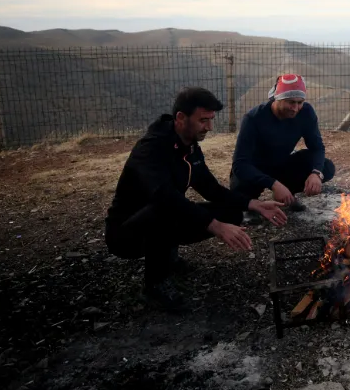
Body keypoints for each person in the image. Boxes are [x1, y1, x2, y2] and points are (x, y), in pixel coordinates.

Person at [105, 87, 287, 311]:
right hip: (127, 234)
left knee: (230, 213)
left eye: (211, 120)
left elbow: (211, 189)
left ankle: (167, 255)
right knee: (165, 208)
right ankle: (155, 285)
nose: (209, 127)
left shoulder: (190, 147)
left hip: (163, 218)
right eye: (203, 120)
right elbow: (165, 197)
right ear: (181, 118)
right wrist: (215, 226)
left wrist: (254, 204)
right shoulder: (152, 149)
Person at [230, 74, 336, 211]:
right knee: (240, 196)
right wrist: (273, 184)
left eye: (300, 102)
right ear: (277, 99)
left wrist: (316, 173)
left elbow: (317, 147)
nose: (296, 108)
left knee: (326, 167)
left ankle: (287, 194)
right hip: (255, 168)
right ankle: (255, 202)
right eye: (291, 102)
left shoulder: (306, 112)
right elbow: (239, 163)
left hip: (282, 164)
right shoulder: (254, 119)